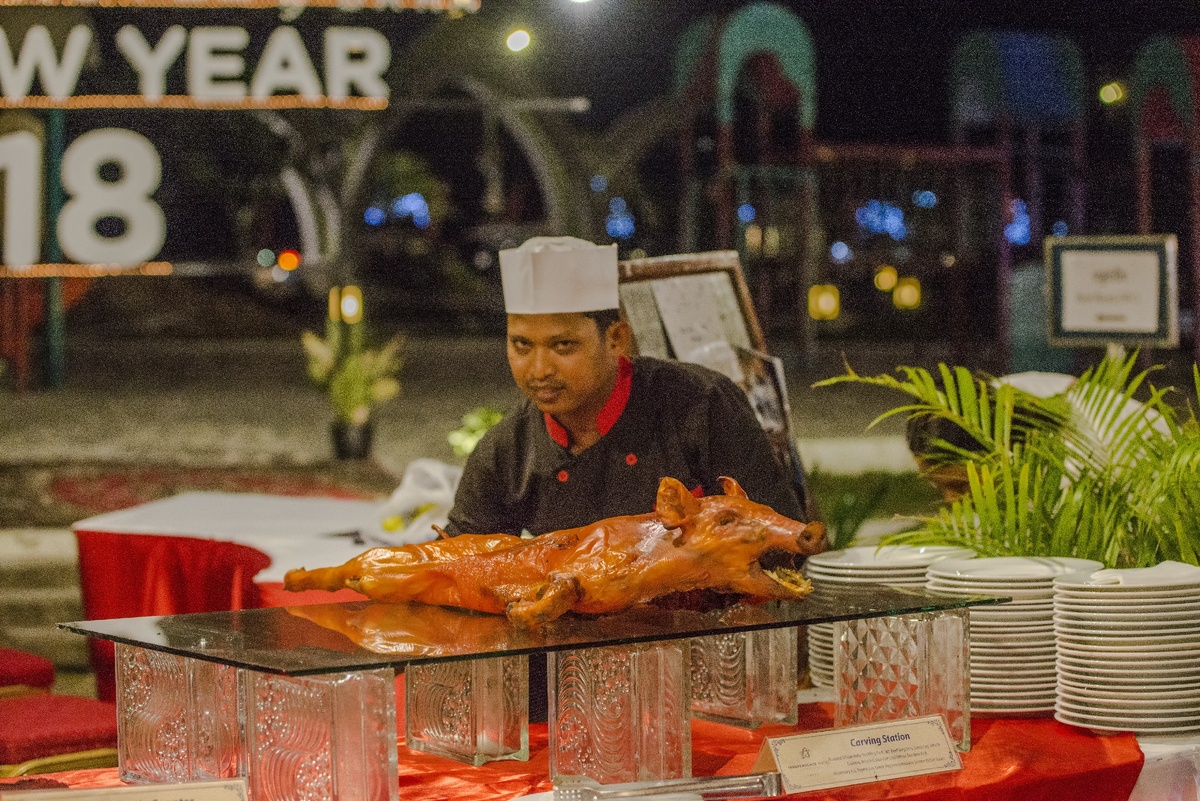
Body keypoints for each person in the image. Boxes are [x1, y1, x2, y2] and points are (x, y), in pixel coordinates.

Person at [445, 236, 805, 539]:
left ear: (616, 338)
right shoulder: (506, 452)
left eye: (563, 346)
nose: (539, 369)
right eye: (522, 345)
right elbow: (456, 562)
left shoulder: (702, 404)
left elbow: (783, 539)